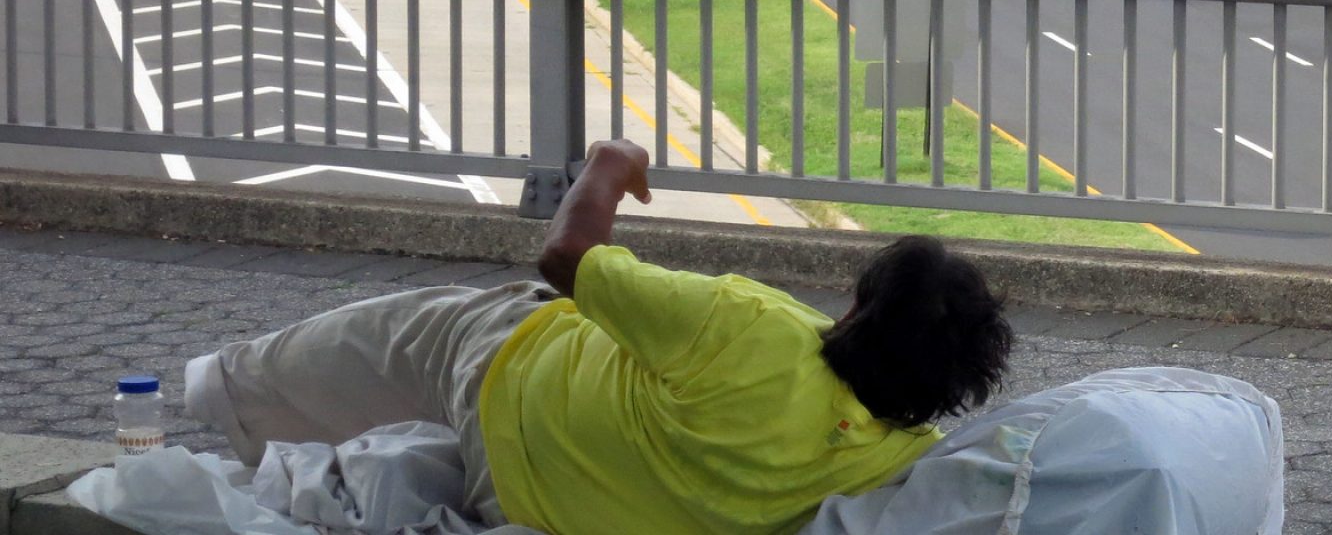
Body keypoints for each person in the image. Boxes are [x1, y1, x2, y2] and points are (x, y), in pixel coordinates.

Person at [183, 139, 1013, 535]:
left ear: (859, 309)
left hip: (500, 366)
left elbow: (566, 256)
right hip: (524, 505)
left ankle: (203, 398)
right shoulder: (895, 460)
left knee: (331, 356)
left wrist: (610, 165)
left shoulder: (751, 329)